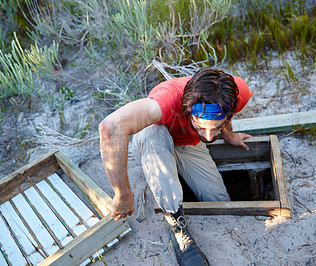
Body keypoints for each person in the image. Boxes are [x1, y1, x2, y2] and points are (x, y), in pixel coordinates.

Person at [99, 67, 253, 265]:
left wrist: (228, 135)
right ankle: (178, 227)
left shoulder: (238, 92)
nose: (208, 137)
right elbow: (110, 127)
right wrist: (122, 193)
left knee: (217, 199)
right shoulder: (168, 100)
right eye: (200, 126)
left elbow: (225, 116)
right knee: (151, 134)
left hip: (188, 144)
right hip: (155, 143)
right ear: (188, 109)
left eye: (215, 128)